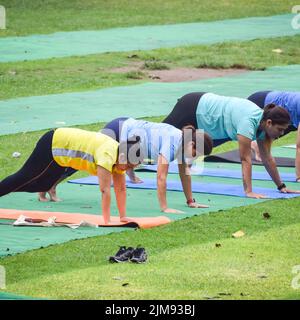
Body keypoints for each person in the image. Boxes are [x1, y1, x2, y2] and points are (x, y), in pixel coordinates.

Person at [163, 92, 300, 198]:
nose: (282, 133)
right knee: (162, 136)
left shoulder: (263, 127)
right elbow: (245, 158)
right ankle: (140, 162)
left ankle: (184, 183)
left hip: (207, 119)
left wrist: (281, 186)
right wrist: (249, 191)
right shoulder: (248, 123)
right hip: (192, 106)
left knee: (190, 151)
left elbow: (267, 158)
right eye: (280, 129)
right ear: (269, 123)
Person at [0, 128, 142, 225]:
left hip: (62, 154)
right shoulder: (107, 155)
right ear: (123, 156)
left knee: (44, 185)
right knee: (23, 177)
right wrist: (107, 220)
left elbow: (121, 189)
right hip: (54, 142)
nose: (128, 170)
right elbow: (105, 190)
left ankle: (7, 188)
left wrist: (122, 217)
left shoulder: (120, 158)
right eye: (129, 166)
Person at [102, 117, 213, 213]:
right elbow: (161, 177)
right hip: (118, 129)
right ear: (192, 144)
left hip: (125, 129)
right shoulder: (173, 143)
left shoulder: (184, 142)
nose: (195, 158)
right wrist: (164, 207)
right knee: (96, 161)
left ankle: (130, 174)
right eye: (195, 154)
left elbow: (184, 174)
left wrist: (190, 201)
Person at [248, 91, 300, 182]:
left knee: (281, 129)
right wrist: (299, 177)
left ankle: (256, 145)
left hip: (278, 109)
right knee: (225, 136)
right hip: (260, 102)